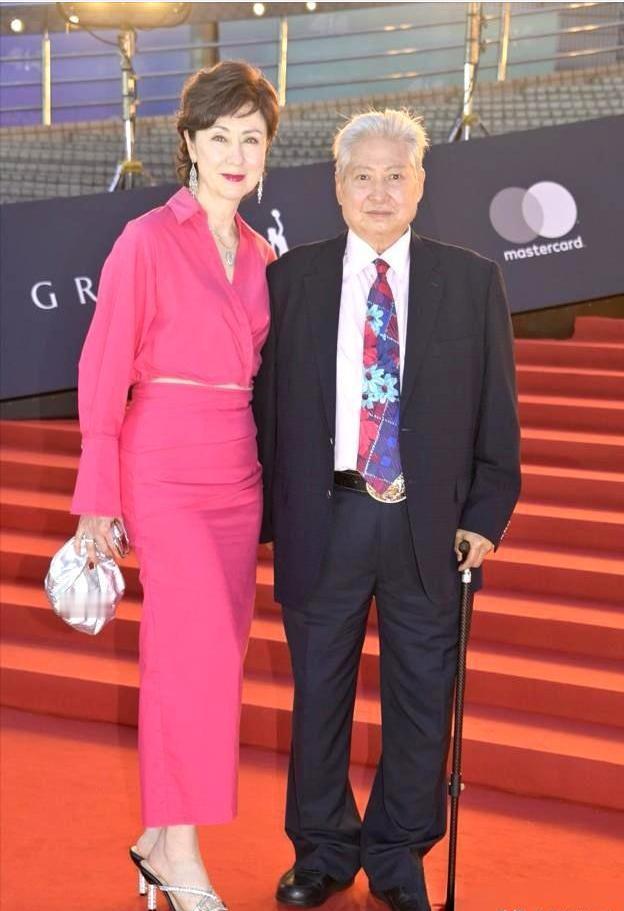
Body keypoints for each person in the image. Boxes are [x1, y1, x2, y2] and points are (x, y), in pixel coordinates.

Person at [253, 109, 521, 911]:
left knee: (421, 699)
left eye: (394, 174)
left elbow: (498, 417)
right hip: (324, 519)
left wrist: (485, 515)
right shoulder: (289, 281)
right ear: (337, 187)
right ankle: (321, 849)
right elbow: (264, 410)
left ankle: (400, 855)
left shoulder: (470, 281)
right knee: (318, 698)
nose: (378, 191)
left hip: (427, 528)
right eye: (362, 175)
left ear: (420, 184)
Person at [71, 61, 279, 911]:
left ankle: (158, 838)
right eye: (219, 136)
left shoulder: (262, 253)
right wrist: (96, 493)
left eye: (251, 139)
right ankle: (183, 852)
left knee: (215, 658)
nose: (235, 155)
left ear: (267, 151)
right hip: (163, 464)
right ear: (189, 143)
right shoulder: (146, 239)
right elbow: (103, 367)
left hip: (238, 471)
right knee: (189, 657)